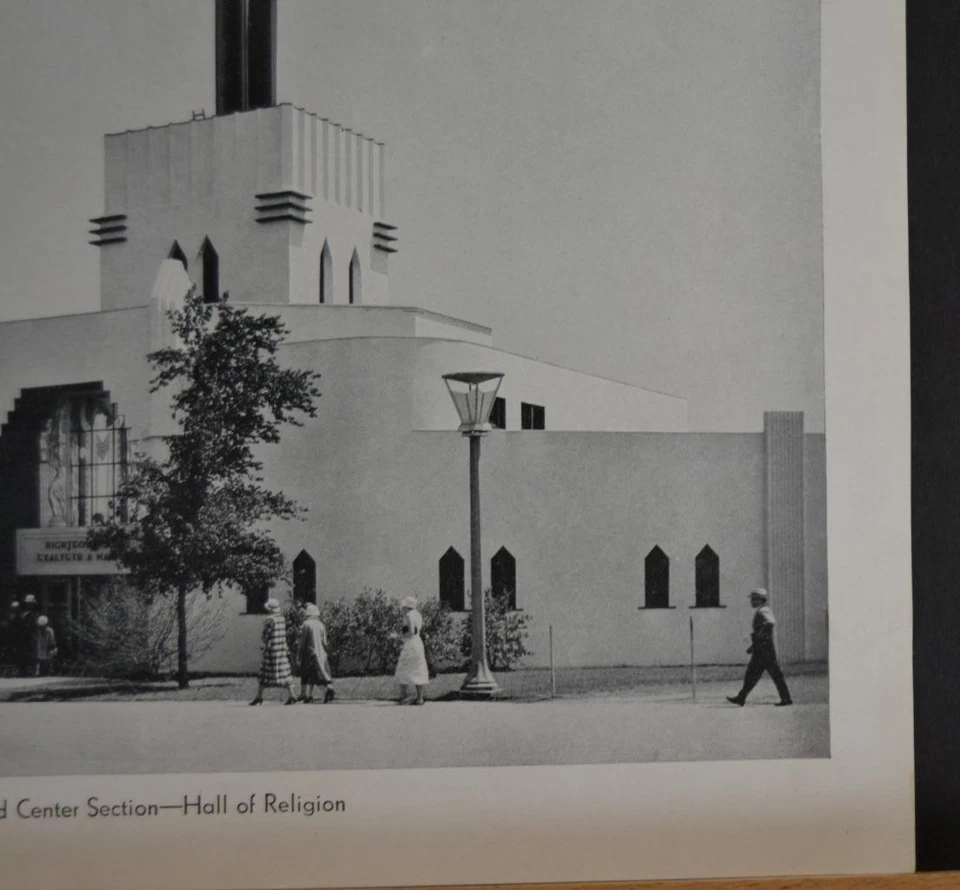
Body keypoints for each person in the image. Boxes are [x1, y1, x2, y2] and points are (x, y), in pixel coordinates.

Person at [727, 588, 793, 707]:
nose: (751, 601)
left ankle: (786, 699)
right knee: (751, 674)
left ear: (760, 600)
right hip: (761, 648)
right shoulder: (761, 610)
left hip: (765, 649)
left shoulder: (764, 610)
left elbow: (771, 622)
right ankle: (741, 697)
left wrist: (760, 637)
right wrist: (754, 646)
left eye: (754, 599)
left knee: (775, 674)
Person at [250, 599, 297, 706]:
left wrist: (264, 645)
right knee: (284, 672)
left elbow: (266, 635)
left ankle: (259, 696)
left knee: (264, 672)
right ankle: (292, 695)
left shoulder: (269, 620)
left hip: (271, 649)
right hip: (281, 649)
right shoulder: (281, 619)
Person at [394, 596, 429, 705]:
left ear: (407, 606)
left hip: (410, 644)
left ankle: (404, 696)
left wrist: (397, 637)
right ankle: (419, 698)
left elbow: (411, 632)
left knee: (403, 667)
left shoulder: (408, 615)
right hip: (418, 643)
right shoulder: (418, 615)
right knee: (418, 668)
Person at [297, 603, 335, 703]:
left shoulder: (306, 625)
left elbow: (302, 642)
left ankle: (325, 691)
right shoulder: (321, 625)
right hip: (321, 653)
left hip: (310, 654)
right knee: (317, 675)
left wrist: (299, 656)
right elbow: (324, 642)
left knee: (310, 675)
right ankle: (308, 695)